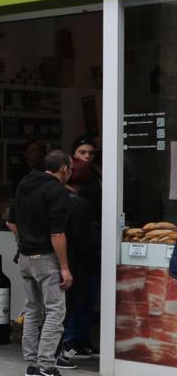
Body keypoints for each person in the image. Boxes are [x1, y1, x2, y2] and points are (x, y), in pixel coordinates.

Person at [7, 149, 75, 376]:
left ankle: (33, 366)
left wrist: (24, 240)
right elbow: (57, 233)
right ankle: (47, 367)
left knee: (33, 310)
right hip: (45, 258)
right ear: (64, 168)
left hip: (25, 257)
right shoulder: (57, 191)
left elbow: (10, 220)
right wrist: (65, 267)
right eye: (71, 168)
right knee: (56, 311)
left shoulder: (25, 184)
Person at [64, 136, 102, 358]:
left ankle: (82, 339)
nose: (87, 156)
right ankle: (71, 339)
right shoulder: (72, 189)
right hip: (80, 248)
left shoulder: (96, 176)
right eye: (82, 152)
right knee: (78, 297)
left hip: (91, 243)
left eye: (91, 153)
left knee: (89, 297)